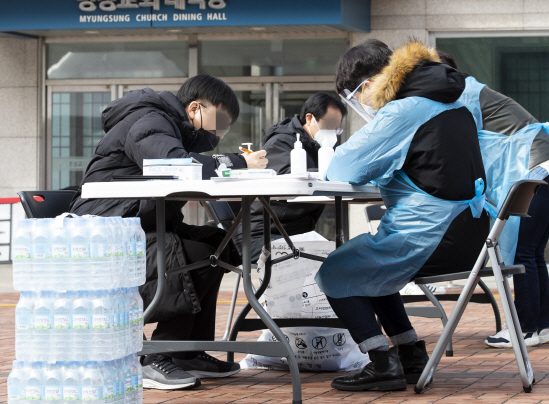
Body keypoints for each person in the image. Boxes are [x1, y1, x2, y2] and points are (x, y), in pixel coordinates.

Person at [69, 74, 268, 390]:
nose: (219, 133)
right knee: (201, 255)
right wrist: (239, 162)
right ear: (193, 109)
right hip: (105, 235)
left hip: (136, 227)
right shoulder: (149, 120)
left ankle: (187, 352)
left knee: (221, 245)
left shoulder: (169, 126)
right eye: (218, 123)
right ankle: (157, 355)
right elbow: (173, 165)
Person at [314, 39, 491, 392]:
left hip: (432, 236)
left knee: (335, 271)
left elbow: (343, 167)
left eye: (354, 96)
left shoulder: (404, 110)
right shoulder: (454, 103)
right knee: (370, 269)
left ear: (367, 84)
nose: (359, 105)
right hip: (469, 232)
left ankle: (381, 363)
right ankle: (409, 353)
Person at [437, 50, 549, 348]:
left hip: (539, 169)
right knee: (532, 252)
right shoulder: (472, 91)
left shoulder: (464, 96)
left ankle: (524, 330)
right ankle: (538, 328)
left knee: (523, 252)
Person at [232, 92, 347, 259]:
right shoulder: (282, 142)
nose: (333, 132)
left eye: (337, 128)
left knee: (341, 252)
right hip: (262, 235)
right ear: (309, 118)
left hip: (293, 232)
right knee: (331, 256)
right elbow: (290, 181)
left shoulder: (317, 147)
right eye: (329, 125)